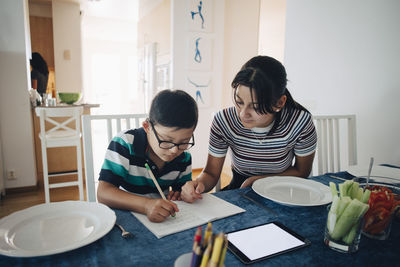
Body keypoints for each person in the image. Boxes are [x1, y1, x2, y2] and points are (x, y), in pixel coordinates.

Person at [181, 55, 317, 203]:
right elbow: (211, 173)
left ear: (279, 102)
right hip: (239, 189)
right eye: (239, 102)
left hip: (282, 192)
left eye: (256, 107)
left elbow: (302, 171)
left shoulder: (299, 122)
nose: (243, 113)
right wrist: (198, 184)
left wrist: (260, 181)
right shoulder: (224, 121)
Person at [97, 89, 198, 222]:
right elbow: (103, 193)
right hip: (125, 216)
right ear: (147, 127)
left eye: (184, 142)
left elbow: (179, 189)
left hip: (162, 219)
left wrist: (183, 192)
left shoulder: (183, 156)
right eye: (166, 140)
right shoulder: (125, 144)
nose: (174, 150)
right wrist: (146, 205)